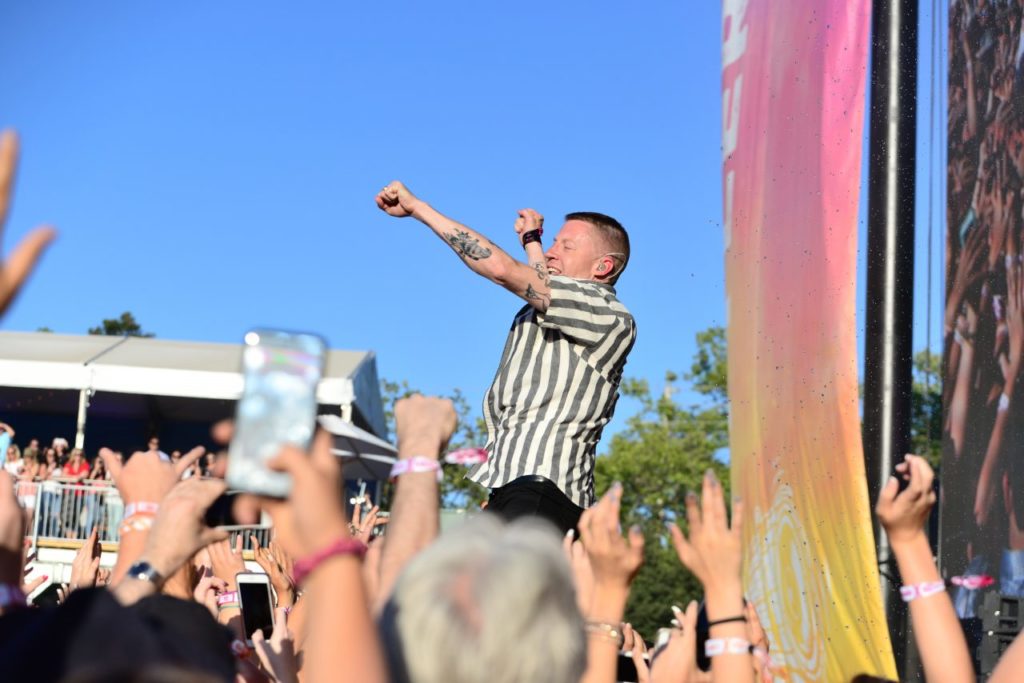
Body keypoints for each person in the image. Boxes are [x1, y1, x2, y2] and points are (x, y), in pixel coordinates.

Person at [376, 182, 636, 532]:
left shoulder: (605, 312)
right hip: (518, 485)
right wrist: (533, 242)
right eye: (553, 243)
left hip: (543, 488)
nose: (553, 252)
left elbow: (503, 271)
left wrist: (419, 208)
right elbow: (538, 281)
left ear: (603, 267)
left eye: (566, 245)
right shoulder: (561, 304)